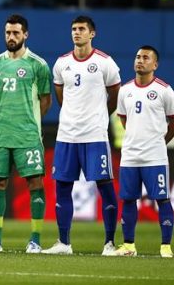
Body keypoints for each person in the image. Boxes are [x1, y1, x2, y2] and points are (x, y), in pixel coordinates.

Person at [41, 16, 121, 256]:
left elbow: (115, 94)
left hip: (95, 135)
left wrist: (100, 114)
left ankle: (109, 243)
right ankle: (64, 243)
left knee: (105, 187)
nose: (77, 32)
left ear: (92, 33)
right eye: (74, 29)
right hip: (67, 136)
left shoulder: (105, 62)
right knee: (62, 187)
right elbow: (60, 95)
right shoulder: (62, 63)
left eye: (82, 29)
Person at [0, 14, 52, 253]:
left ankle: (35, 240)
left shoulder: (38, 65)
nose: (11, 37)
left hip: (27, 135)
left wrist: (29, 121)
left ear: (25, 35)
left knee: (35, 182)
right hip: (0, 135)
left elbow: (45, 101)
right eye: (8, 33)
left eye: (16, 33)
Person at [113, 46, 174, 258]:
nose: (140, 60)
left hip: (155, 157)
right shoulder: (125, 90)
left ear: (155, 64)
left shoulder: (165, 90)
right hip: (130, 156)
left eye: (145, 57)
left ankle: (166, 247)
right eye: (137, 57)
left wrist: (160, 141)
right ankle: (129, 245)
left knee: (162, 199)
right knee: (128, 199)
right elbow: (123, 118)